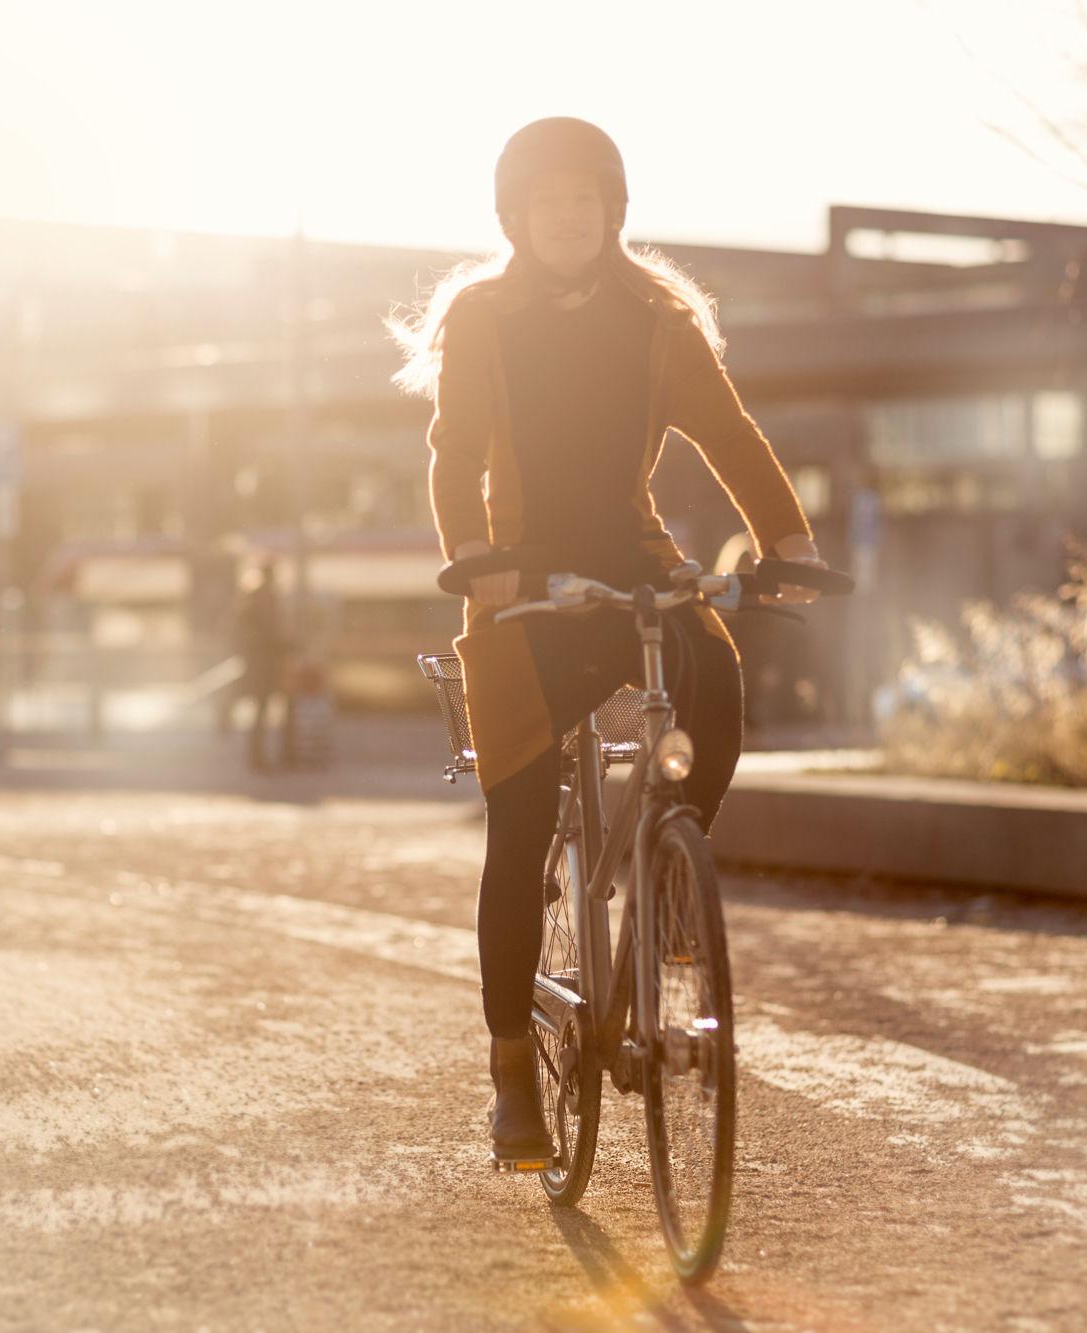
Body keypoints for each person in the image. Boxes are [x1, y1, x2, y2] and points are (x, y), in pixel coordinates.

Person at [388, 117, 827, 1166]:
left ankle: (666, 885)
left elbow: (729, 435)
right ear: (514, 219)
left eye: (584, 200)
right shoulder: (484, 319)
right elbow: (454, 454)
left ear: (612, 212)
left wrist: (788, 542)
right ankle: (511, 1070)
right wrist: (478, 559)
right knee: (518, 825)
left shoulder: (655, 321)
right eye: (547, 202)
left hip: (632, 564)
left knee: (713, 677)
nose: (567, 217)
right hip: (521, 583)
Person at [232, 558, 290, 771]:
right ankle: (259, 757)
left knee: (261, 710)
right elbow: (270, 631)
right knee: (262, 710)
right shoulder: (266, 598)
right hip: (264, 661)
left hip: (257, 660)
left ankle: (258, 756)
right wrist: (285, 645)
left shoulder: (252, 597)